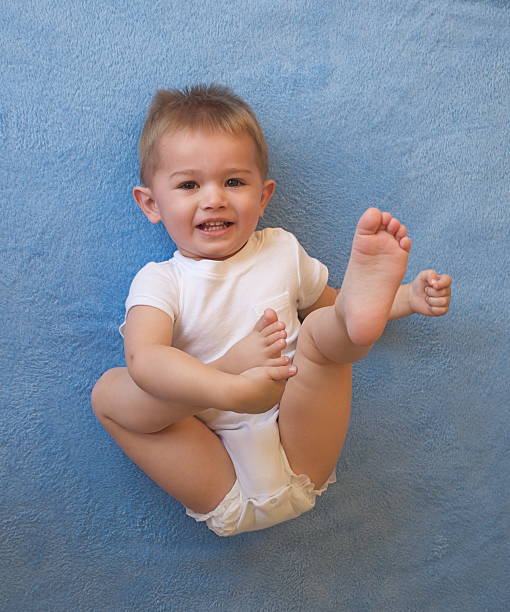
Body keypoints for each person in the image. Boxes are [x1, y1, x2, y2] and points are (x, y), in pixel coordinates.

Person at [91, 84, 452, 536]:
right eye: (188, 185)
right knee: (112, 390)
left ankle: (365, 323)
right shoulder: (162, 281)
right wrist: (229, 380)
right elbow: (144, 359)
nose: (214, 198)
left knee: (324, 329)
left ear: (262, 197)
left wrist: (403, 299)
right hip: (217, 473)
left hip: (298, 445)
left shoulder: (281, 250)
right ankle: (226, 386)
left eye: (234, 182)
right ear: (151, 203)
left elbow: (333, 304)